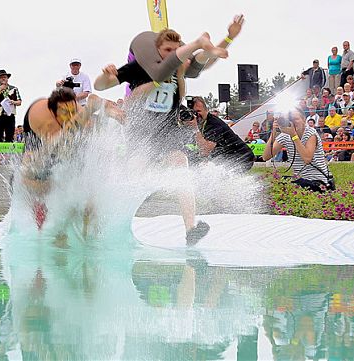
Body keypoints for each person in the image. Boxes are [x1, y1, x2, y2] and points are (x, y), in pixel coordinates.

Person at [94, 21, 243, 245]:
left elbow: (205, 59)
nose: (172, 55)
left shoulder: (178, 70)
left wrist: (229, 38)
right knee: (135, 174)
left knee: (181, 164)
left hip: (166, 134)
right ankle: (110, 224)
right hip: (140, 134)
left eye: (175, 51)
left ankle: (191, 228)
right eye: (166, 50)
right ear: (157, 51)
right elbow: (100, 86)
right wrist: (106, 74)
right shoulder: (140, 68)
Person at [22, 88, 123, 231]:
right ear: (53, 112)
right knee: (36, 182)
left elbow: (91, 118)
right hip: (45, 152)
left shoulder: (74, 111)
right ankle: (47, 224)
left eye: (73, 112)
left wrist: (107, 111)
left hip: (65, 148)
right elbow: (59, 144)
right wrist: (89, 110)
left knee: (86, 198)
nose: (70, 116)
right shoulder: (43, 117)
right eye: (65, 113)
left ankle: (89, 230)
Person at [262, 108, 333, 192]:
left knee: (286, 185)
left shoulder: (310, 133)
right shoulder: (285, 135)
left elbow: (307, 159)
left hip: (318, 180)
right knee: (269, 184)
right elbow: (266, 157)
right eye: (290, 120)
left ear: (303, 120)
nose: (293, 123)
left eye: (295, 119)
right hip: (300, 180)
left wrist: (294, 136)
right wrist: (273, 133)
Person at [189, 96, 254, 170]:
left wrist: (195, 129)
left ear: (206, 110)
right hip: (227, 156)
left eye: (198, 111)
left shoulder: (214, 123)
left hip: (242, 156)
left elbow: (205, 150)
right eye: (192, 112)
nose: (195, 115)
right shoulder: (201, 122)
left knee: (222, 177)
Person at [0, 69, 22, 143]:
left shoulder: (14, 89)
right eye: (1, 77)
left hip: (10, 115)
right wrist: (0, 90)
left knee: (10, 136)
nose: (3, 78)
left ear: (7, 78)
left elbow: (19, 102)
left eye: (5, 77)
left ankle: (9, 153)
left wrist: (13, 102)